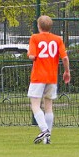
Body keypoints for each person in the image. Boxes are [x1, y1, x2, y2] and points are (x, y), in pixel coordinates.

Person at [26, 16, 71, 145]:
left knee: (35, 104)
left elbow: (32, 56)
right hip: (52, 77)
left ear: (39, 26)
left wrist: (29, 54)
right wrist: (67, 71)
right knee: (49, 106)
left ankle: (44, 129)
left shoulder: (35, 38)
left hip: (38, 76)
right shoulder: (57, 39)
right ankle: (47, 137)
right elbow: (65, 58)